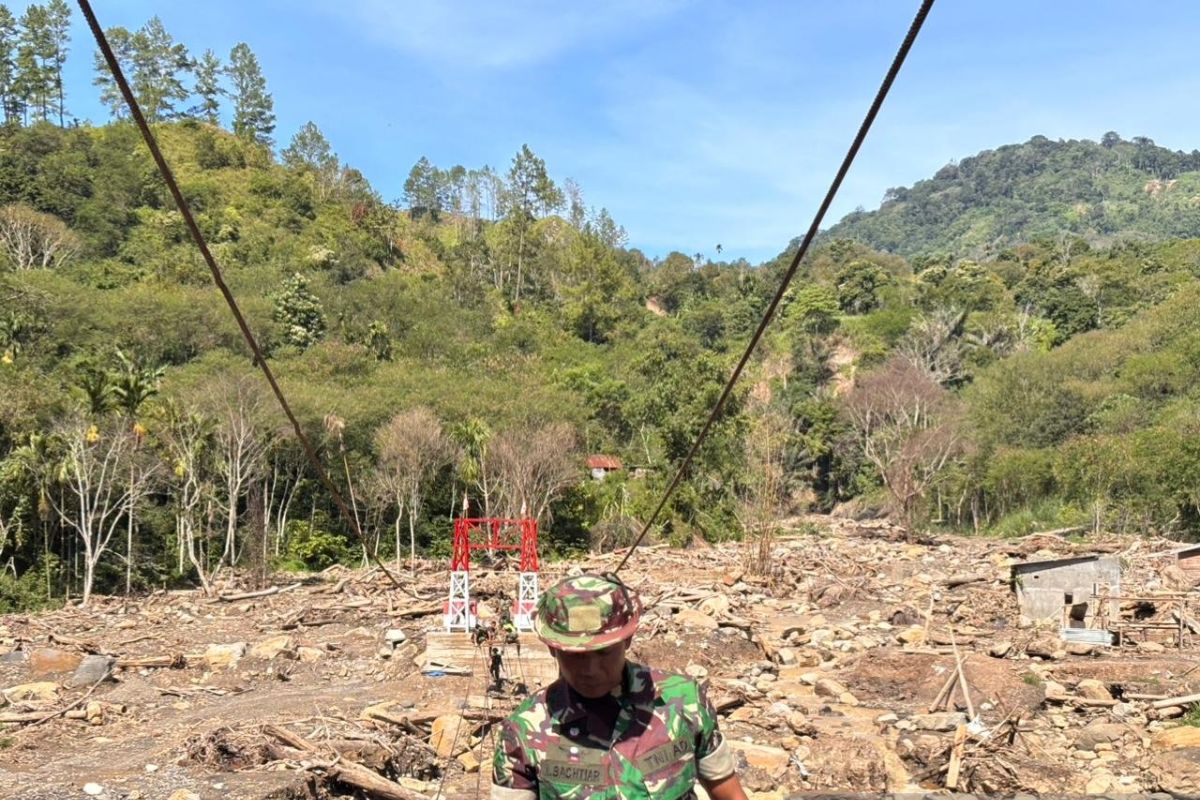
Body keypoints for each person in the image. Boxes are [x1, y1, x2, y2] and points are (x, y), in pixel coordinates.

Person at [491, 573, 748, 800]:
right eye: (575, 655)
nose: (590, 670)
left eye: (604, 652)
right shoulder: (523, 731)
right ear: (552, 649)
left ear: (627, 641)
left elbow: (727, 789)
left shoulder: (684, 702)